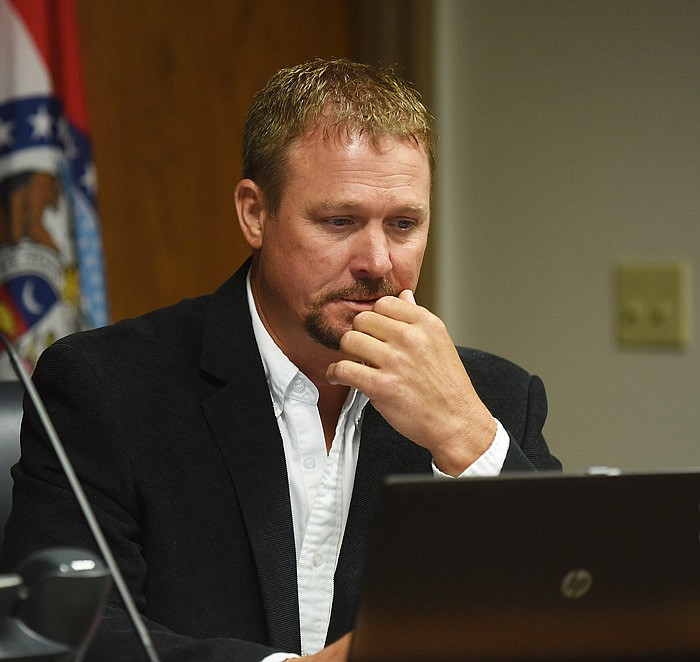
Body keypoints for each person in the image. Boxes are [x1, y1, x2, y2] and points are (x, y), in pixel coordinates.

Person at [1, 58, 560, 662]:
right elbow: (63, 632)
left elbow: (577, 613)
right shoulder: (105, 386)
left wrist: (467, 437)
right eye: (339, 221)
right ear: (254, 214)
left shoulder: (494, 398)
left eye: (403, 224)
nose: (377, 260)